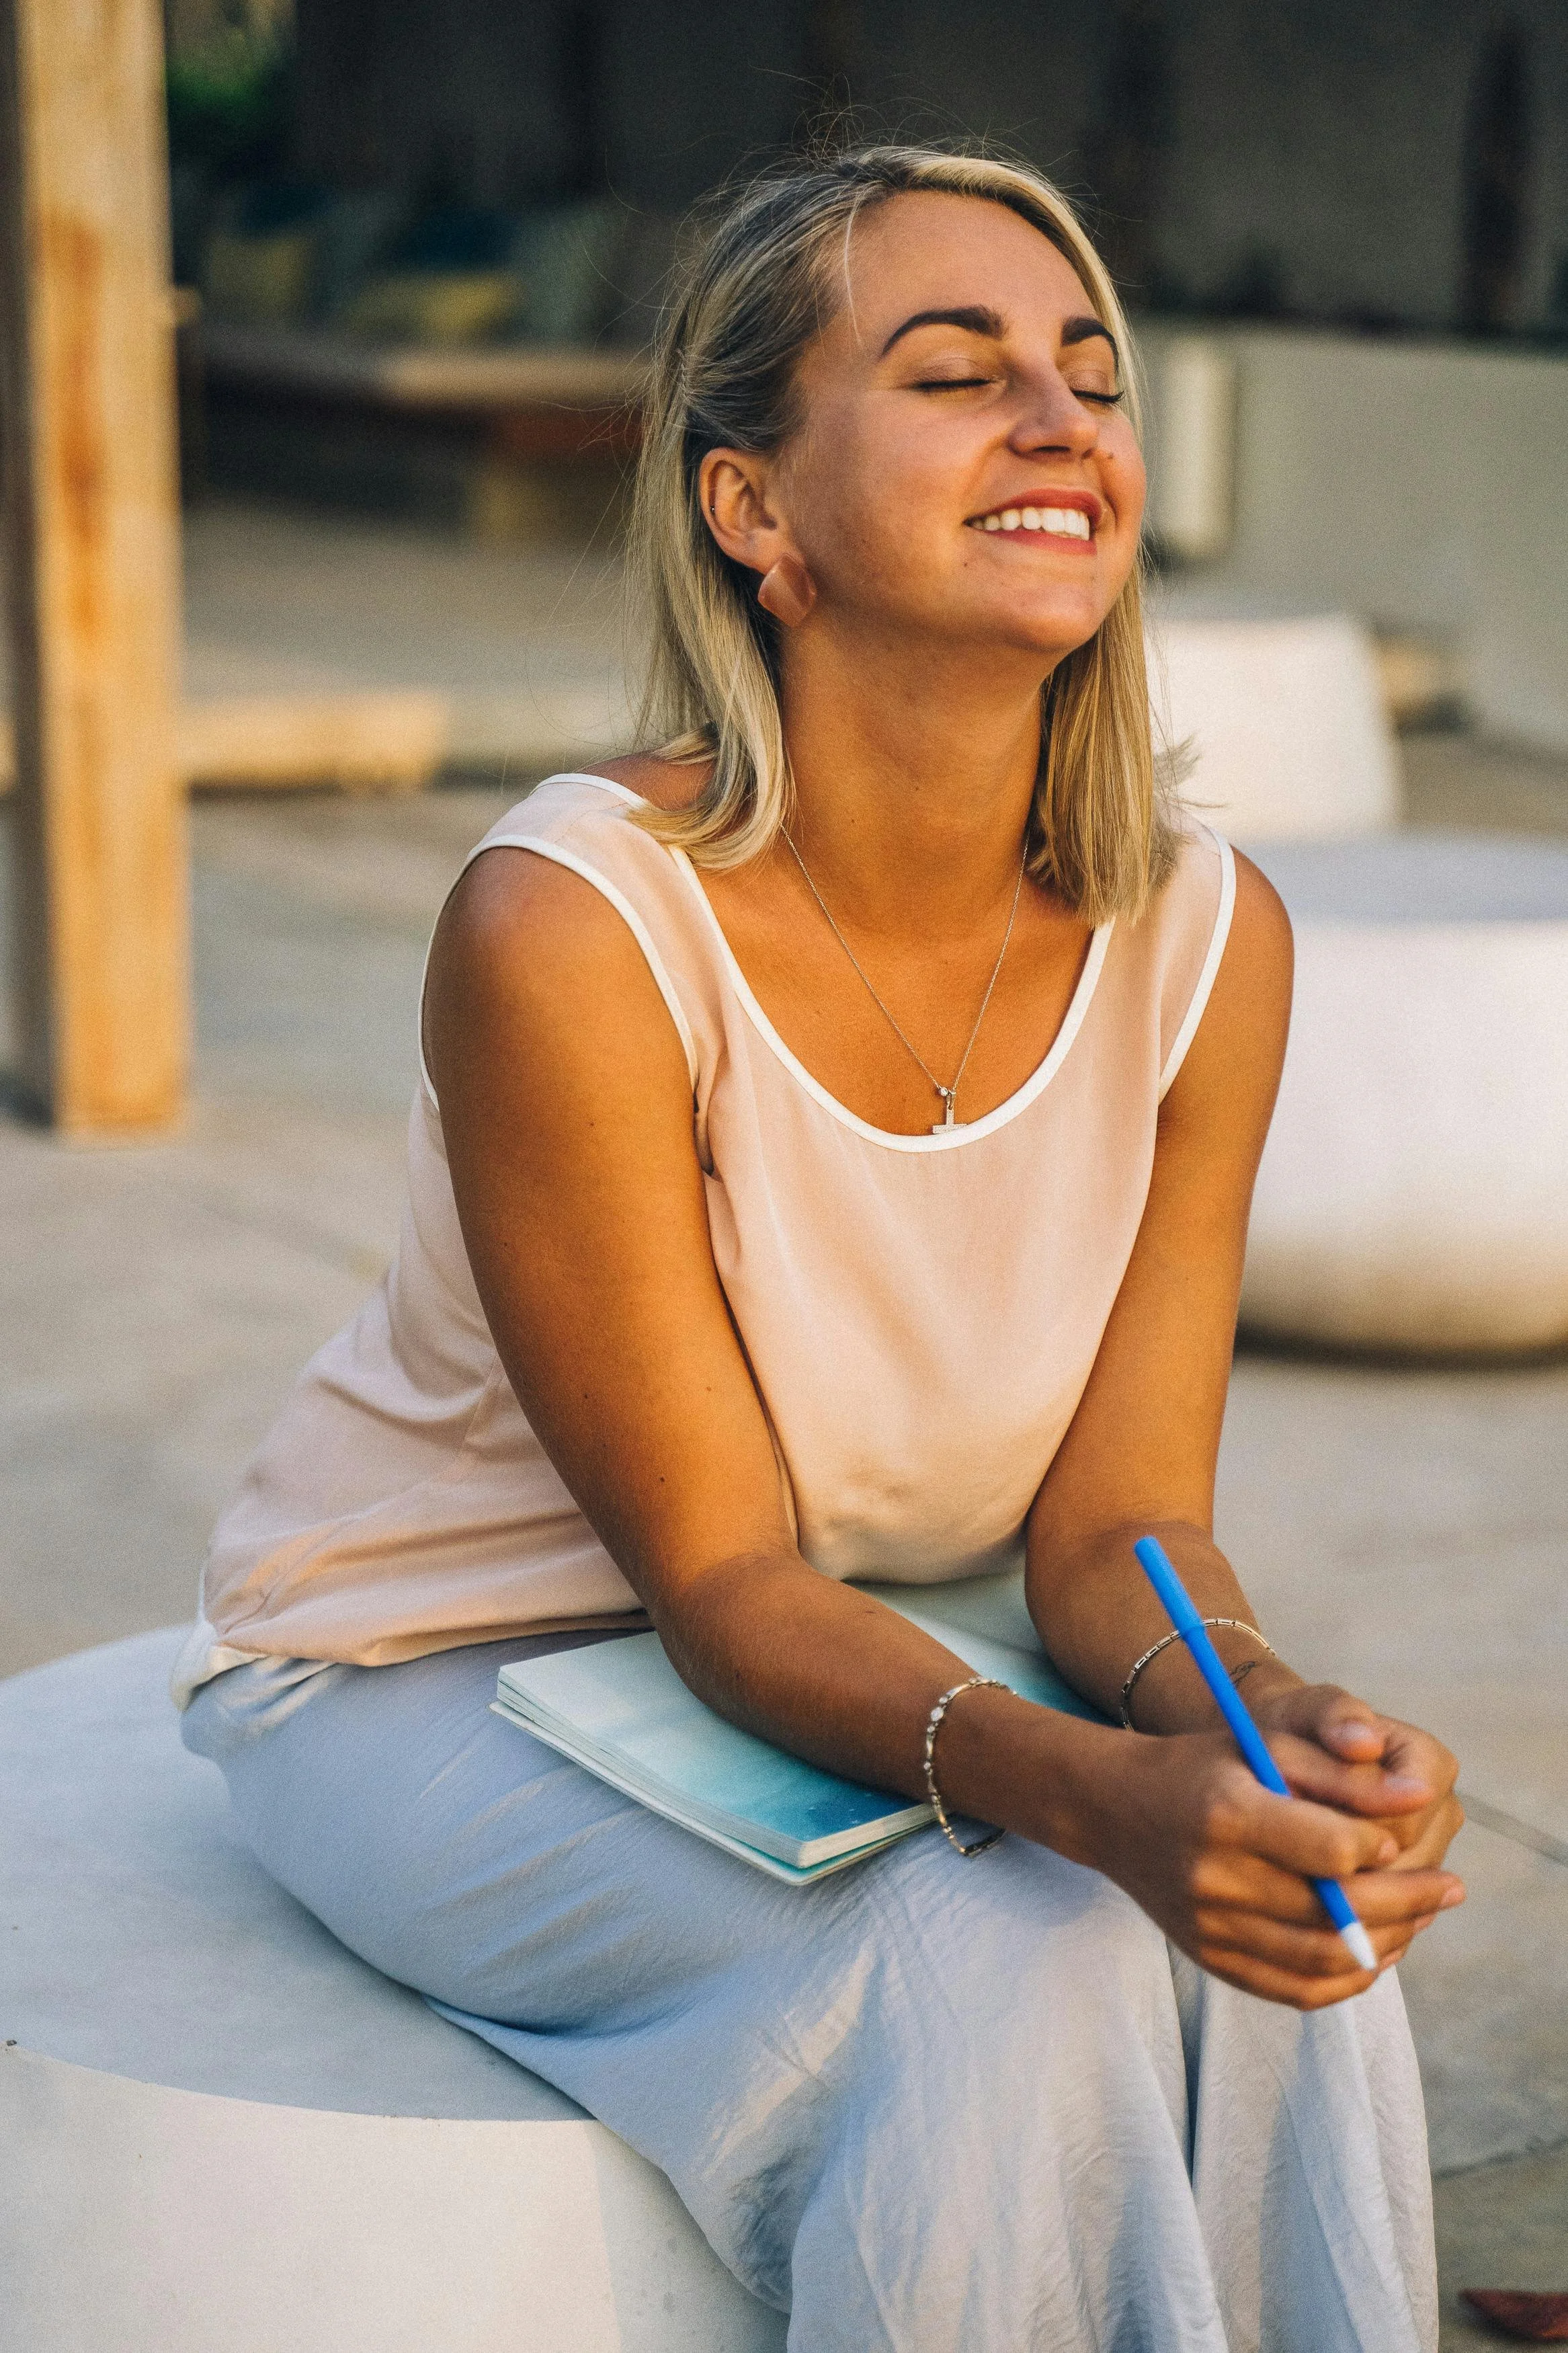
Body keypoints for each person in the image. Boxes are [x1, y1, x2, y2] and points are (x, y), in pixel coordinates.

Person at [177, 145, 1464, 2352]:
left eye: (1085, 374)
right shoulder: (575, 926)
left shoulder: (1202, 940)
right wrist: (1089, 1792)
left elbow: (1123, 1526)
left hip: (832, 1630)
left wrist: (1258, 1719)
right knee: (1008, 1959)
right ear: (749, 511)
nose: (1058, 423)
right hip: (427, 1665)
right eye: (956, 375)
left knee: (1291, 1937)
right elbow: (718, 1579)